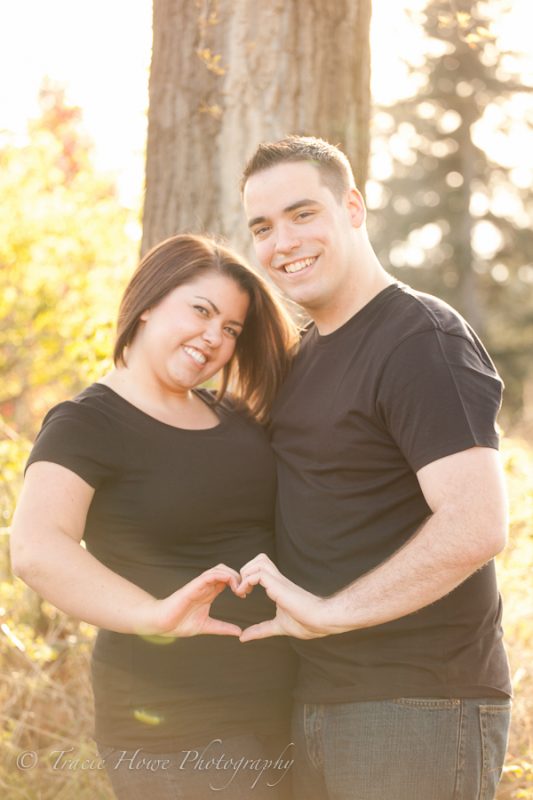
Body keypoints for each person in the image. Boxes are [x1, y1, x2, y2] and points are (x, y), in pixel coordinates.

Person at [236, 136, 512, 800]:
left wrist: (332, 614)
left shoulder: (419, 339)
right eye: (263, 227)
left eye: (303, 214)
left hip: (417, 704)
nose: (283, 242)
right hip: (318, 697)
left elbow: (476, 524)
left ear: (352, 209)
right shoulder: (302, 354)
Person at [10, 233, 300, 800]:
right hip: (173, 723)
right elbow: (37, 548)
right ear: (147, 303)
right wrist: (155, 615)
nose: (214, 338)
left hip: (285, 705)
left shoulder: (236, 416)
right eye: (201, 311)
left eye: (231, 329)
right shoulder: (86, 423)